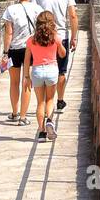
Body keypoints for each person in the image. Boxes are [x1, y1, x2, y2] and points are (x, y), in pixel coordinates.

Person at [33, 0, 78, 112]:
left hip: (41, 37)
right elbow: (72, 15)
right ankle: (59, 100)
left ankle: (46, 101)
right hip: (61, 36)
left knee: (43, 67)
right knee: (61, 71)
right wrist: (74, 37)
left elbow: (35, 16)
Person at [23, 10, 66, 140]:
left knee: (40, 102)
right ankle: (49, 121)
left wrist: (26, 76)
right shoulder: (55, 38)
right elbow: (63, 54)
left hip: (37, 71)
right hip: (51, 70)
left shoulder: (31, 40)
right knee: (50, 100)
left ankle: (41, 132)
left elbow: (26, 59)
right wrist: (59, 40)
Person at [0, 0, 38, 125]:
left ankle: (15, 113)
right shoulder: (37, 9)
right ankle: (23, 117)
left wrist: (5, 52)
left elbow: (8, 33)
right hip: (31, 48)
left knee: (14, 82)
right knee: (26, 81)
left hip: (14, 49)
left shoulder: (11, 10)